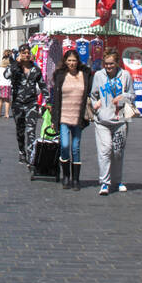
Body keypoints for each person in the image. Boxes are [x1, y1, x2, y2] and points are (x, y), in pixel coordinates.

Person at [88, 49, 134, 195]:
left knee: (118, 152)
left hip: (120, 119)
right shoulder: (98, 76)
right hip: (103, 120)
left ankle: (117, 180)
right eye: (106, 64)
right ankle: (104, 182)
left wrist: (123, 97)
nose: (108, 67)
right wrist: (96, 105)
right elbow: (93, 94)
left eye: (111, 64)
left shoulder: (126, 76)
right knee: (105, 150)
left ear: (117, 63)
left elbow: (132, 95)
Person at [51, 47, 92, 190]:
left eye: (74, 60)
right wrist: (53, 119)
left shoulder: (85, 74)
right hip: (63, 116)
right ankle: (66, 176)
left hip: (78, 117)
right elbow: (56, 97)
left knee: (75, 148)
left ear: (78, 61)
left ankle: (75, 179)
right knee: (65, 146)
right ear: (65, 61)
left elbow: (91, 92)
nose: (72, 63)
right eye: (69, 60)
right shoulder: (60, 75)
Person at [9, 44, 44, 164]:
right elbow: (6, 75)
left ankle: (31, 156)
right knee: (20, 129)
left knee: (31, 131)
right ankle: (21, 151)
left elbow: (43, 86)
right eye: (23, 53)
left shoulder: (36, 69)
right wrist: (15, 64)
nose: (26, 55)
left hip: (31, 103)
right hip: (17, 104)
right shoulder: (15, 68)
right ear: (19, 54)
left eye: (28, 53)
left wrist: (48, 102)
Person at [0, 51, 13, 118]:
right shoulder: (9, 69)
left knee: (0, 100)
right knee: (7, 100)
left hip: (0, 84)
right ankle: (7, 114)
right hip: (7, 84)